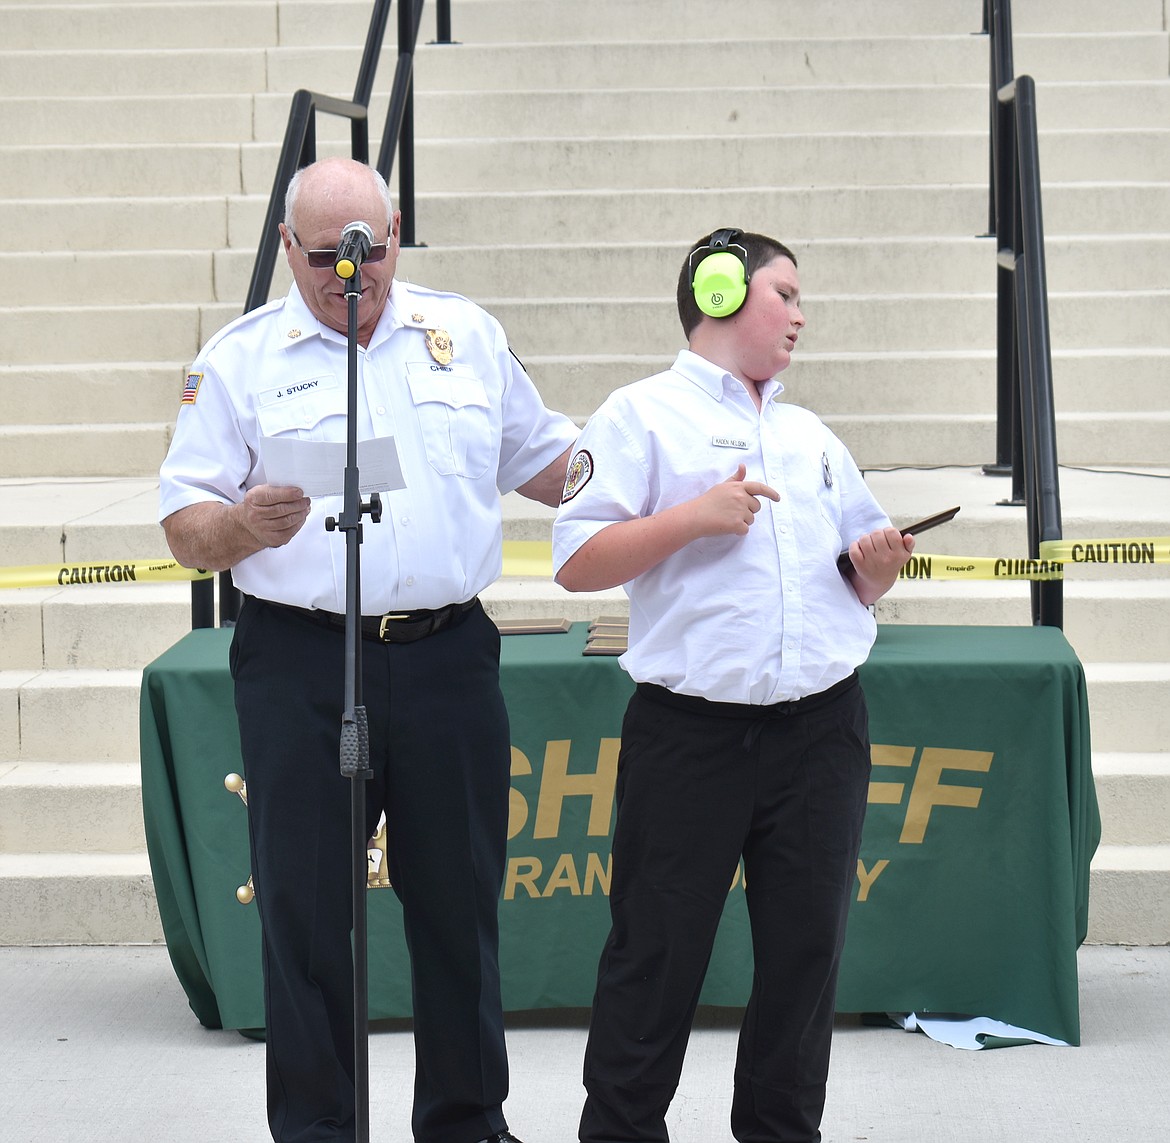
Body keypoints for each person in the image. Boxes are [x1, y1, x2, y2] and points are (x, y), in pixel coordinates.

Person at [158, 156, 576, 1143]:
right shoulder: (241, 361)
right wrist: (243, 527)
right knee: (307, 919)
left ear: (396, 233)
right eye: (328, 257)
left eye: (374, 250)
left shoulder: (462, 336)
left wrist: (656, 470)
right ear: (292, 251)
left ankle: (468, 1124)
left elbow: (550, 459)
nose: (356, 274)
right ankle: (318, 1131)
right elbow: (184, 523)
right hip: (302, 663)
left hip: (446, 660)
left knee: (459, 907)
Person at [552, 229, 914, 1143]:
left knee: (805, 960)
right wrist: (691, 517)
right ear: (719, 292)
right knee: (657, 955)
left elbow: (851, 576)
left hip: (822, 731)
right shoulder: (640, 416)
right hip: (692, 739)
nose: (801, 314)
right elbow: (575, 559)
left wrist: (874, 570)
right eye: (784, 293)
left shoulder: (811, 435)